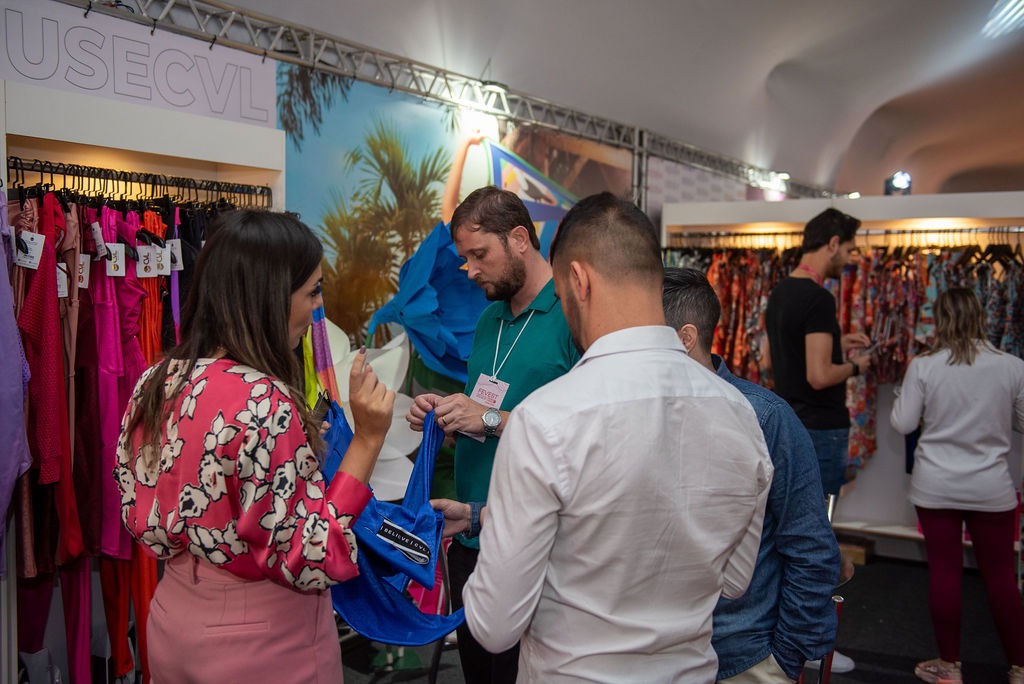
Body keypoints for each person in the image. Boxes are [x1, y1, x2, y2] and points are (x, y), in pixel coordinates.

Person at [434, 192, 773, 683]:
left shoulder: (547, 419)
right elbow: (735, 579)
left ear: (578, 280)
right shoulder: (740, 411)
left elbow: (493, 625)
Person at [114, 210, 395, 681]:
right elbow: (313, 555)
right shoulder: (265, 401)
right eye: (313, 292)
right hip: (261, 640)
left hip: (172, 619)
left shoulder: (156, 381)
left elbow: (139, 501)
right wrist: (367, 439)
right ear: (271, 295)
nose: (317, 308)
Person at [406, 185, 579, 683]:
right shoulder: (489, 320)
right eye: (465, 258)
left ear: (519, 239)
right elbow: (485, 417)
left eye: (479, 255)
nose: (470, 270)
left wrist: (485, 417)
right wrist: (447, 418)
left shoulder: (571, 317)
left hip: (536, 547)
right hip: (470, 536)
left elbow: (579, 437)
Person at [662, 267, 841, 683]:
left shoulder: (765, 417)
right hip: (656, 653)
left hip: (741, 654)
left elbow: (810, 545)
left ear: (686, 338)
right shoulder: (638, 411)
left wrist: (784, 657)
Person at [890, 287, 1024, 684]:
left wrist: (904, 395)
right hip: (991, 487)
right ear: (981, 316)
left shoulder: (924, 366)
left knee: (945, 573)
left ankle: (950, 666)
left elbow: (903, 423)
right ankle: (1019, 668)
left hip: (937, 486)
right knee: (1001, 578)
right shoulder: (1012, 366)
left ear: (940, 319)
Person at [765, 207, 871, 498]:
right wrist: (856, 366)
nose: (849, 259)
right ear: (833, 244)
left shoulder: (780, 292)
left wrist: (837, 343)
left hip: (788, 424)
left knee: (789, 513)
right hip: (821, 429)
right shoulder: (819, 298)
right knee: (818, 516)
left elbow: (770, 358)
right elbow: (819, 376)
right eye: (849, 250)